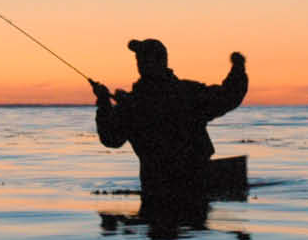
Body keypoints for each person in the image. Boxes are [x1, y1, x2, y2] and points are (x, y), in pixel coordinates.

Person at [91, 39, 248, 201]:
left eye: (144, 58)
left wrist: (104, 104)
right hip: (195, 187)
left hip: (156, 189)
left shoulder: (132, 105)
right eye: (139, 59)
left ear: (158, 62)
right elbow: (229, 95)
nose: (140, 63)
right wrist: (238, 67)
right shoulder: (186, 94)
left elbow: (111, 138)